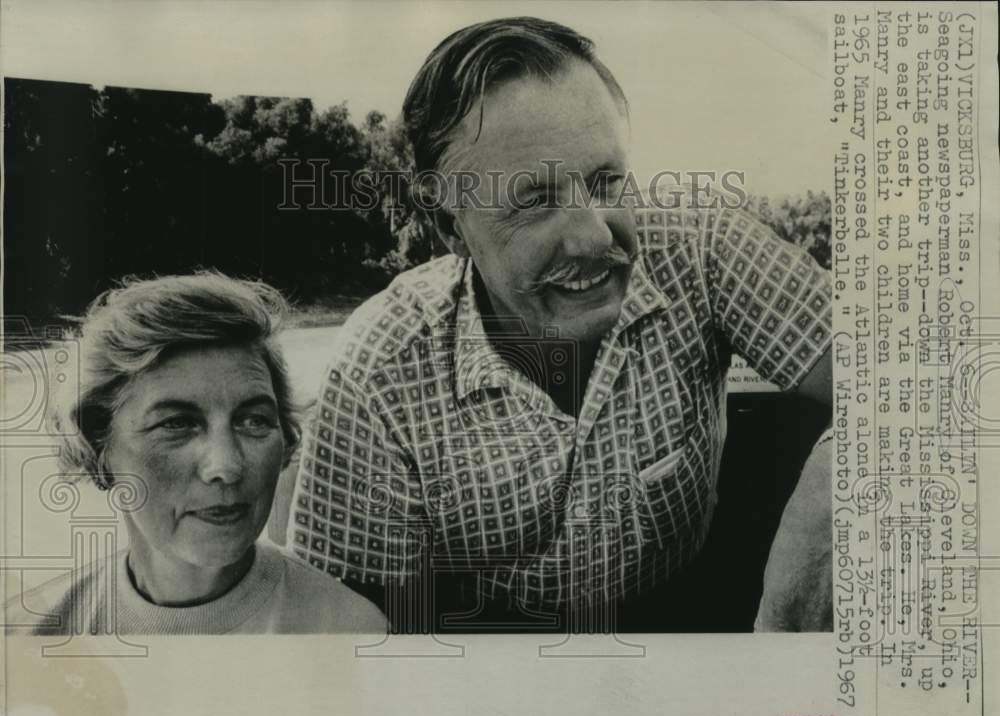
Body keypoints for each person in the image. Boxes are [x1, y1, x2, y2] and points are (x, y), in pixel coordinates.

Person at [288, 16, 834, 631]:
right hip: (489, 656)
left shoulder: (701, 248)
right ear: (449, 228)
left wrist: (804, 575)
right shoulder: (379, 363)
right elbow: (347, 629)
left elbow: (906, 386)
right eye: (534, 202)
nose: (595, 235)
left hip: (693, 619)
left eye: (605, 181)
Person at [8, 272, 386, 634]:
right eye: (176, 424)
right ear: (97, 448)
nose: (226, 466)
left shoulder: (348, 630)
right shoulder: (31, 636)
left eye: (253, 421)